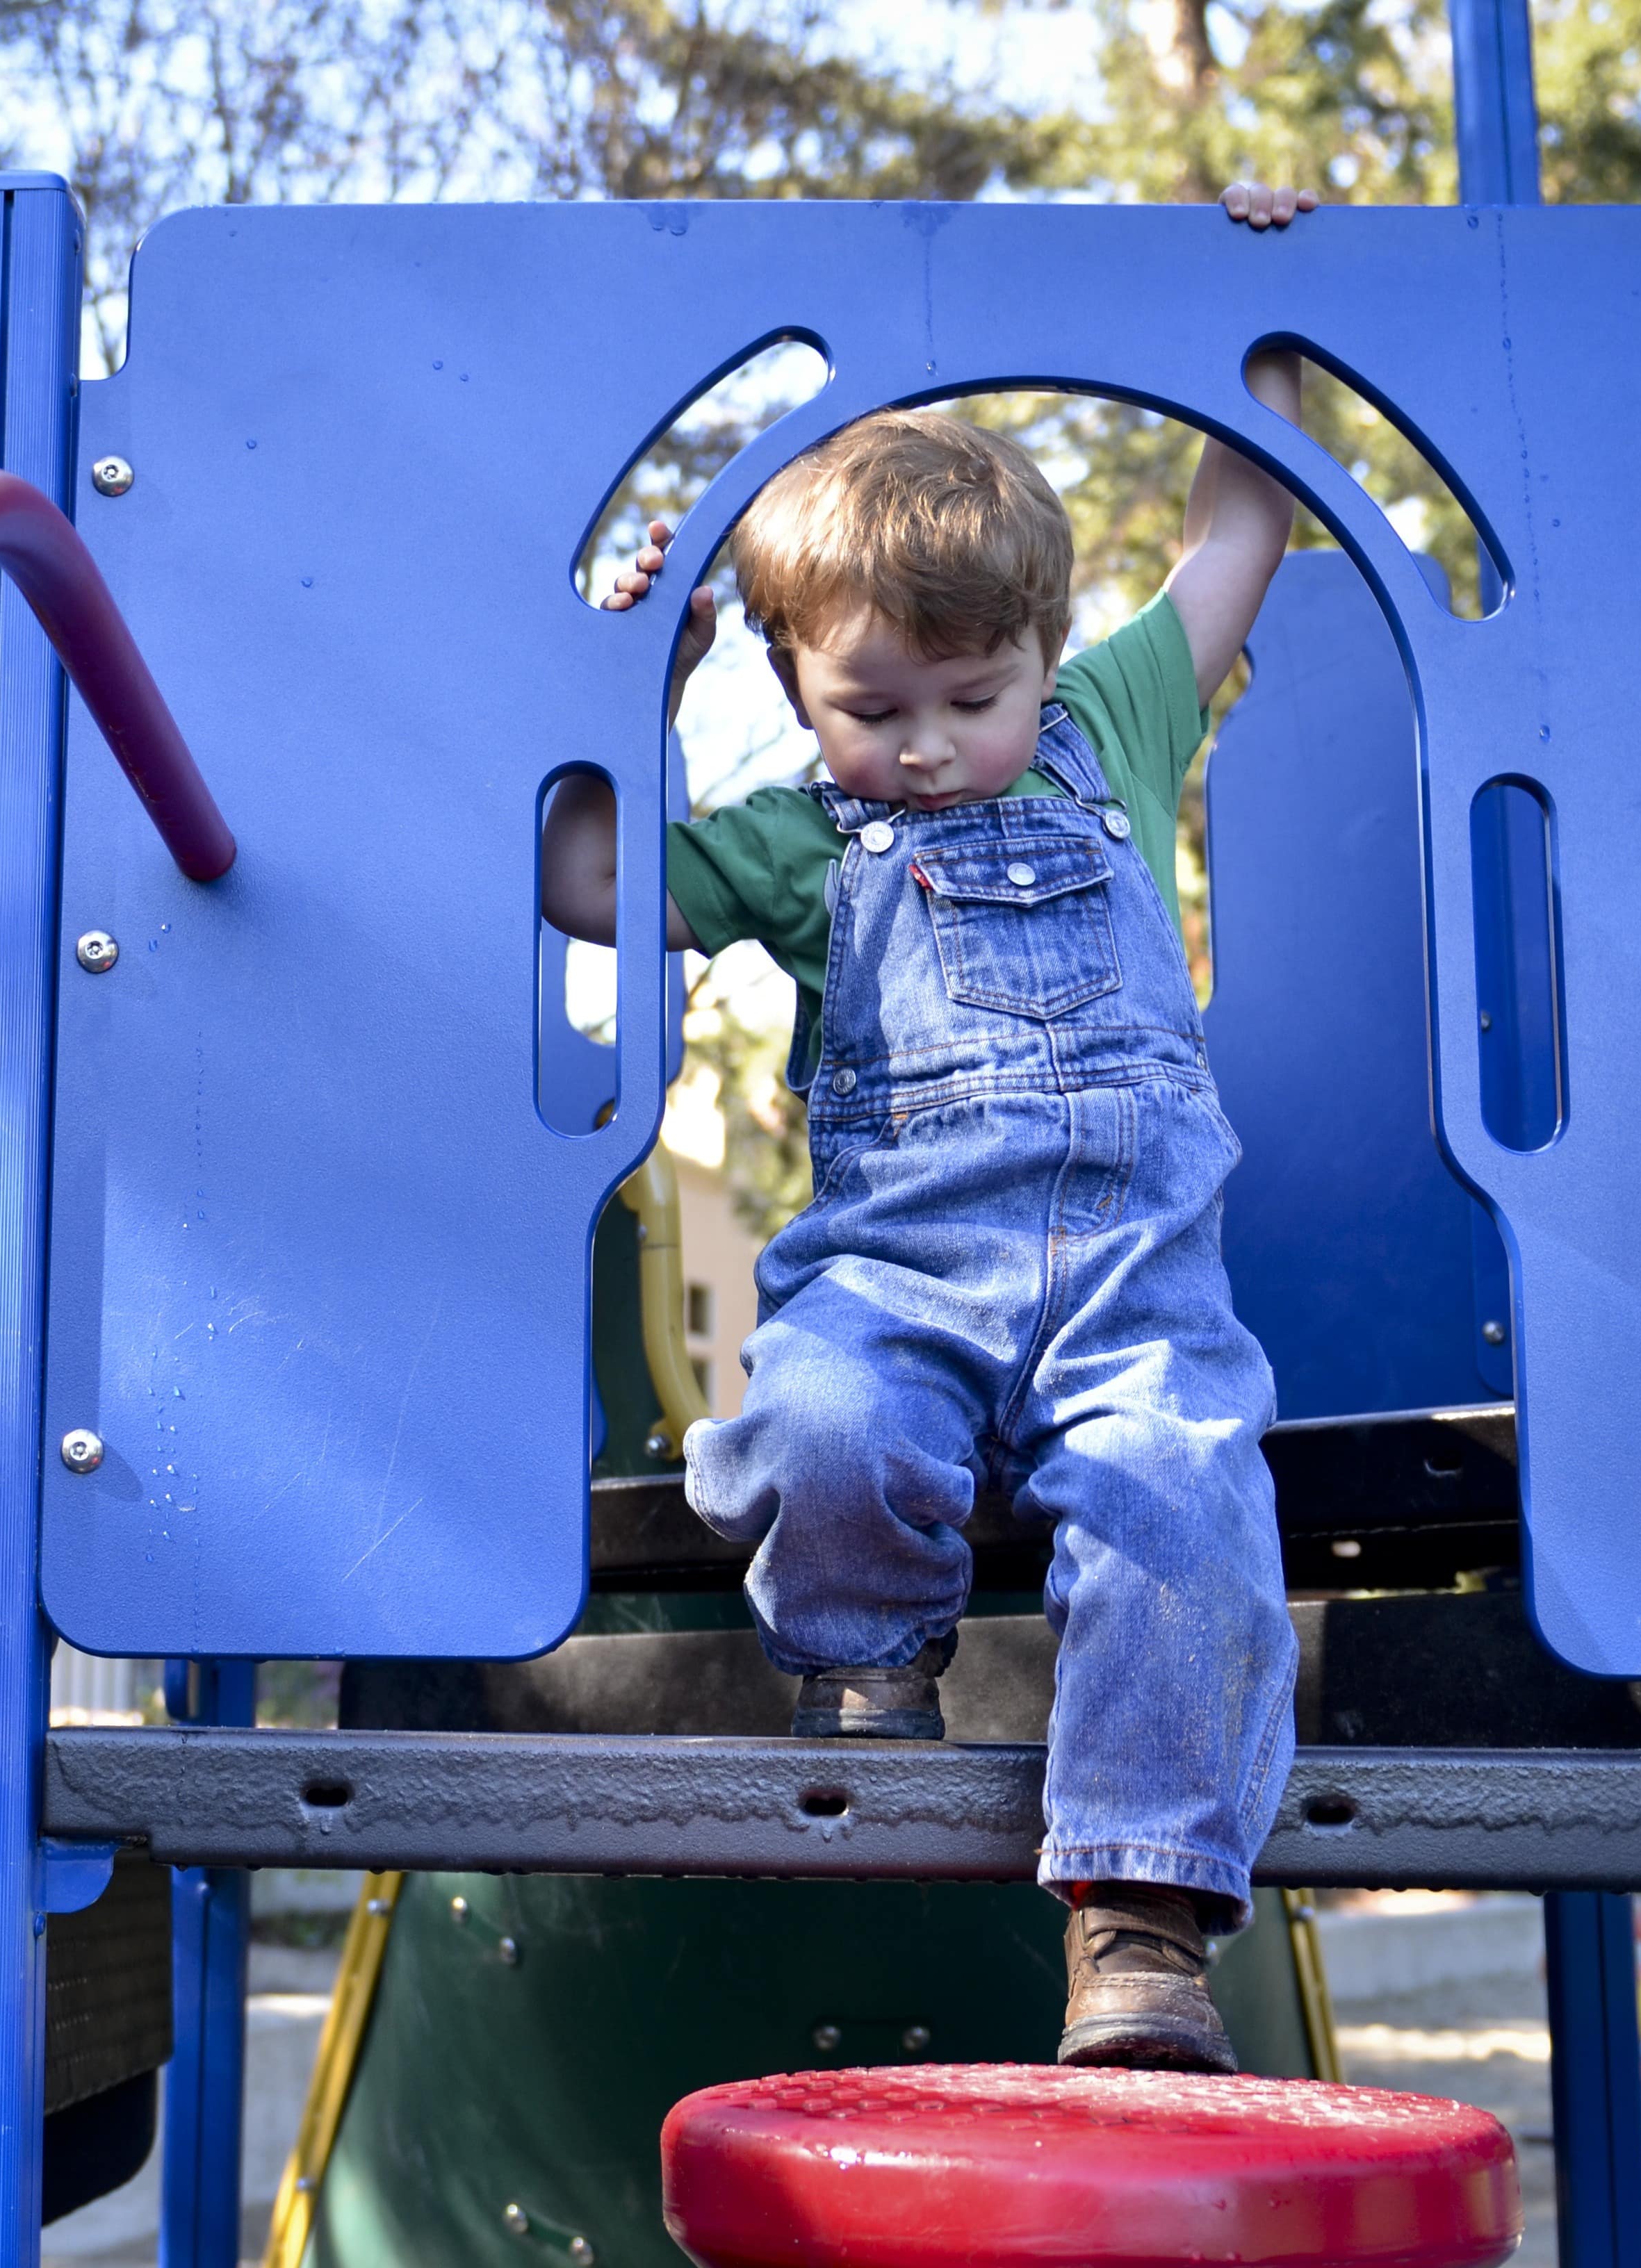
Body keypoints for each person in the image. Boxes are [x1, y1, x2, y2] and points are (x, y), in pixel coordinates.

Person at [539, 181, 1318, 2073]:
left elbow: (1246, 519)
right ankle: (867, 1675)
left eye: (976, 695)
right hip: (896, 1275)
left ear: (1045, 652)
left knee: (1187, 1512)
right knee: (812, 1420)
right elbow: (583, 880)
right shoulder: (801, 836)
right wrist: (615, 669)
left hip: (1138, 1284)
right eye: (870, 706)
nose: (931, 744)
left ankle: (1142, 1921)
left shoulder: (1123, 715)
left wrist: (1263, 300)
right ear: (793, 681)